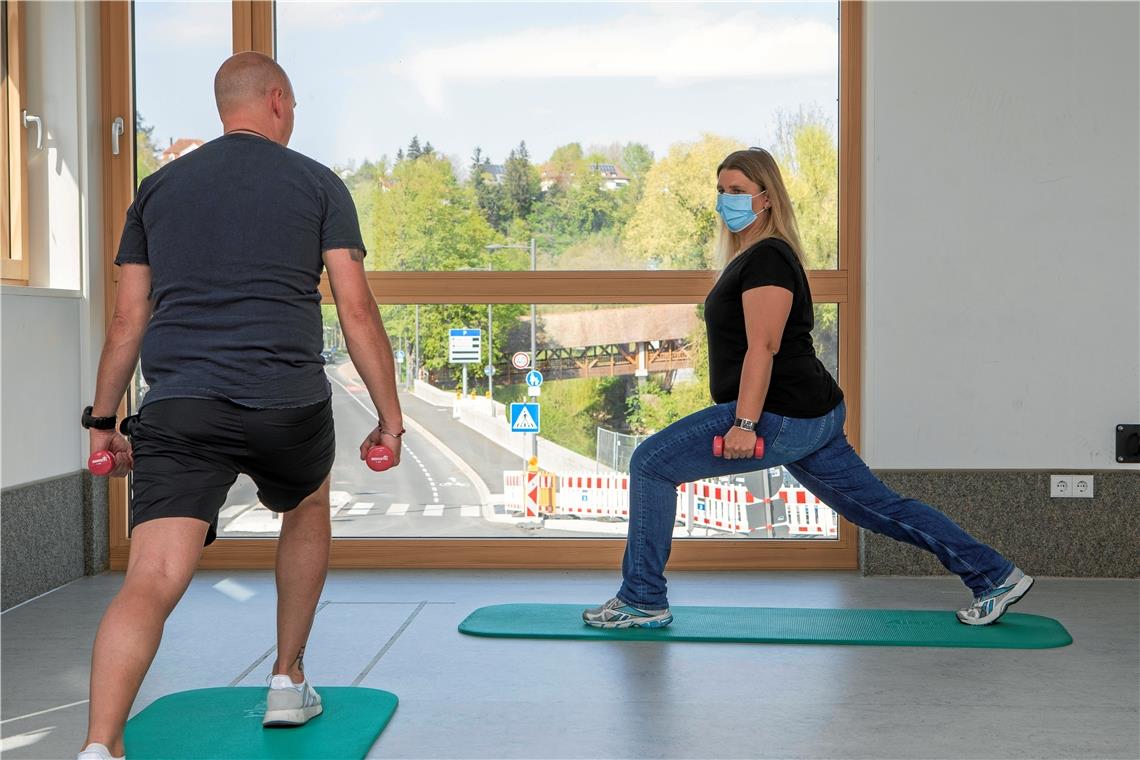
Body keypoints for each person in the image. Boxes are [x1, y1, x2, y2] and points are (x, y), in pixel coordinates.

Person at [77, 52, 403, 760]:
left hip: (182, 406)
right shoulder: (318, 183)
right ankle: (287, 678)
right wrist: (390, 416)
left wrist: (103, 422)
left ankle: (100, 746)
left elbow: (128, 320)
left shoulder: (156, 191)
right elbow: (356, 308)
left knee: (153, 577)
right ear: (278, 100)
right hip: (287, 403)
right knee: (307, 503)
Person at [583, 147, 1032, 631]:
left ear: (767, 197)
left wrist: (744, 424)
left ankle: (644, 598)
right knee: (879, 509)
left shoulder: (768, 258)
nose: (725, 201)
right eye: (720, 191)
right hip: (808, 413)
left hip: (780, 414)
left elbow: (765, 347)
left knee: (650, 463)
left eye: (737, 191)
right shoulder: (754, 256)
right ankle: (994, 574)